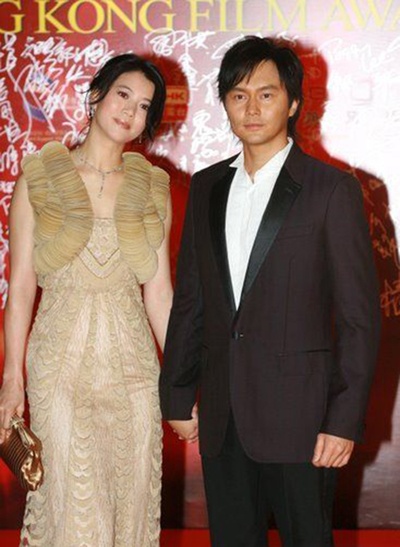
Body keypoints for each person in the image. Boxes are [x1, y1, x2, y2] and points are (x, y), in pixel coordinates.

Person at [159, 36, 381, 547]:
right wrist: (176, 392)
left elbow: (358, 319)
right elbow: (192, 298)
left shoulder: (332, 190)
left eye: (266, 94)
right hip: (224, 416)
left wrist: (343, 421)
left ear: (294, 103)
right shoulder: (207, 187)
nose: (252, 108)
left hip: (304, 421)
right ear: (225, 105)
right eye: (238, 96)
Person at [0, 53, 172, 546]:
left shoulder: (152, 188)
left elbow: (160, 293)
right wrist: (12, 380)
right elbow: (21, 288)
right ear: (96, 95)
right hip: (60, 366)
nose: (131, 111)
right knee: (74, 513)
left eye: (144, 106)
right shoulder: (39, 178)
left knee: (131, 506)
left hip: (134, 369)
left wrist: (183, 381)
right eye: (123, 95)